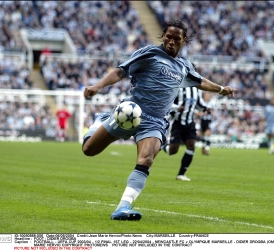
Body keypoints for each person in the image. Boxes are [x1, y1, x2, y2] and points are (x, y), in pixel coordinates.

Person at [82, 20, 236, 221]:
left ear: (184, 40)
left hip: (155, 121)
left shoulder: (184, 66)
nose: (171, 42)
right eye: (168, 37)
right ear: (163, 36)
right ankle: (100, 120)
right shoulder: (149, 53)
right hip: (130, 112)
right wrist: (98, 86)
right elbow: (120, 71)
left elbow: (201, 82)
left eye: (176, 39)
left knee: (146, 159)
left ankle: (123, 207)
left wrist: (222, 89)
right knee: (89, 150)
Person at [163, 86, 210, 181]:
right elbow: (167, 102)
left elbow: (198, 103)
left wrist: (204, 108)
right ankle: (162, 145)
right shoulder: (177, 86)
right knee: (173, 151)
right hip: (177, 122)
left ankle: (181, 174)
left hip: (190, 122)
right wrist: (177, 108)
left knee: (191, 146)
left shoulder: (195, 88)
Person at [198, 91, 214, 155]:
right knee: (203, 135)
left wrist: (211, 112)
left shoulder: (212, 103)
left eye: (208, 95)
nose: (207, 96)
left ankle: (207, 149)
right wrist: (200, 113)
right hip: (202, 121)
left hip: (208, 120)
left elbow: (214, 111)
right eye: (206, 95)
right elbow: (197, 111)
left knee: (207, 133)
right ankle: (203, 147)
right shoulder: (201, 102)